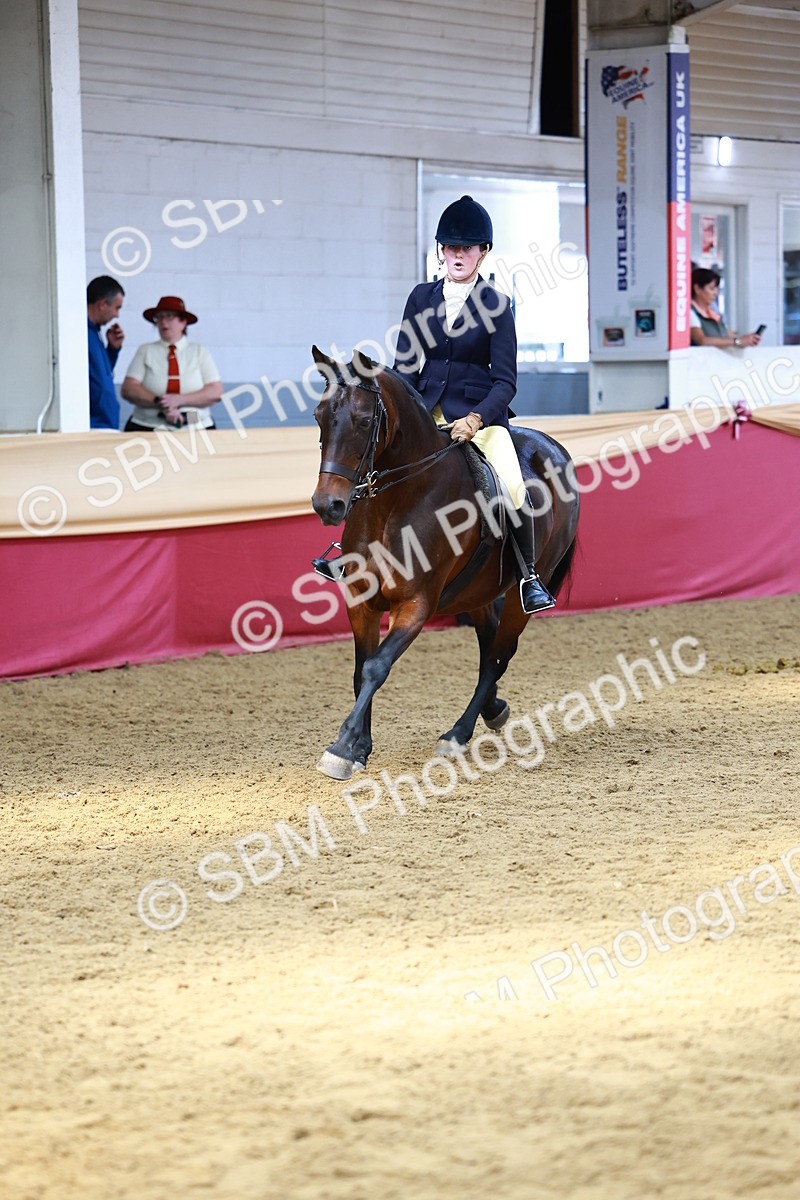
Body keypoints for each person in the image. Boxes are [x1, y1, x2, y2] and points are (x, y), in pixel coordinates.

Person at [314, 195, 554, 614]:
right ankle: (348, 553)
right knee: (373, 460)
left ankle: (528, 575)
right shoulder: (421, 297)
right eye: (451, 248)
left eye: (468, 248)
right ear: (441, 251)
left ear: (483, 252)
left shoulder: (497, 304)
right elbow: (406, 366)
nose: (459, 255)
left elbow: (506, 380)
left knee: (514, 487)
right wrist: (394, 406)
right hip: (426, 411)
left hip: (482, 416)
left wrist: (476, 418)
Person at [120, 295, 223, 432]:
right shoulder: (145, 351)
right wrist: (161, 403)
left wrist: (180, 400)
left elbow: (215, 391)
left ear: (183, 322)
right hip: (148, 424)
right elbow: (129, 388)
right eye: (159, 317)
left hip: (193, 423)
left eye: (169, 317)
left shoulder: (199, 352)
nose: (163, 322)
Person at [690, 267, 762, 349]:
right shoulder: (691, 313)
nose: (715, 293)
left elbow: (725, 335)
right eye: (711, 289)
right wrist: (738, 342)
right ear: (697, 289)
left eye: (717, 289)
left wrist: (746, 339)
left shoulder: (712, 313)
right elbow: (702, 340)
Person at [87, 275, 125, 430]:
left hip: (105, 424)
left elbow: (100, 375)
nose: (117, 315)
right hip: (94, 425)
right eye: (117, 308)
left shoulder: (95, 333)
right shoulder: (80, 334)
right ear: (102, 304)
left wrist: (112, 349)